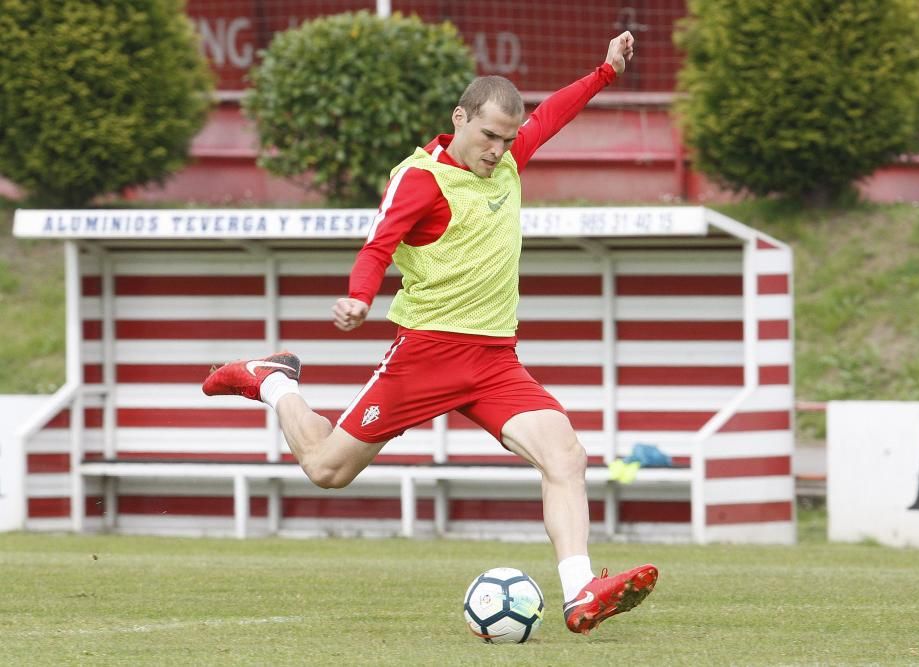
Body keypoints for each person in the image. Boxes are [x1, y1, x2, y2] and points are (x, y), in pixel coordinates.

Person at [203, 30, 657, 635]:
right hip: (426, 354)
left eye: (507, 138)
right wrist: (360, 298)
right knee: (327, 470)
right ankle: (274, 384)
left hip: (495, 360)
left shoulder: (513, 158)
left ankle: (580, 592)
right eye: (488, 135)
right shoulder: (420, 179)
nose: (498, 150)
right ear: (459, 118)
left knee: (566, 456)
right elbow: (377, 246)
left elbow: (554, 112)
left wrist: (605, 71)